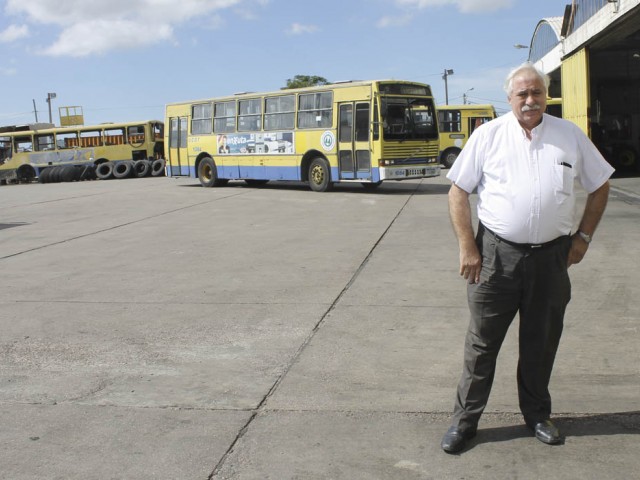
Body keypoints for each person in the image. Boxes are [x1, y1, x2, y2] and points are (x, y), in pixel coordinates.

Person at [440, 62, 615, 454]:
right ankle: (464, 422)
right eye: (523, 94)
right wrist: (468, 247)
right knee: (482, 345)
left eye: (537, 92)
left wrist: (583, 237)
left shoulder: (569, 135)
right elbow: (457, 192)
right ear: (509, 98)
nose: (531, 100)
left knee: (541, 342)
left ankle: (537, 415)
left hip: (551, 260)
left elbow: (600, 184)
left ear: (546, 95)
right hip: (495, 258)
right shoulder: (488, 136)